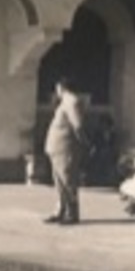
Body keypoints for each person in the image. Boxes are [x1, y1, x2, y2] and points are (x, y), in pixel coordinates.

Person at [43, 77, 87, 225]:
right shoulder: (65, 102)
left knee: (68, 180)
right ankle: (61, 210)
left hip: (66, 147)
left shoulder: (71, 101)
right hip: (57, 147)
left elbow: (78, 125)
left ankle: (71, 213)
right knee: (59, 181)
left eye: (58, 88)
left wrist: (84, 142)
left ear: (62, 87)